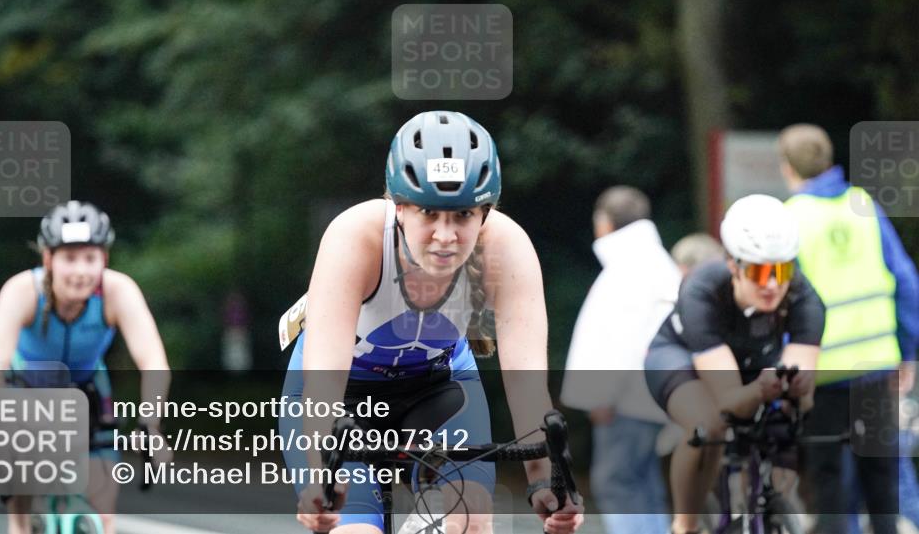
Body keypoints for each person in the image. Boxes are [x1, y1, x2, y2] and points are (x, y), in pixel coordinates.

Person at [280, 111, 584, 534]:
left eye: (462, 215)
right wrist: (319, 477)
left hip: (439, 390)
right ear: (399, 207)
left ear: (485, 212)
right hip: (342, 399)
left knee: (469, 521)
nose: (445, 236)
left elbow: (526, 384)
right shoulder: (356, 236)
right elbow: (324, 382)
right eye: (428, 212)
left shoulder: (507, 247)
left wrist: (543, 481)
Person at [0, 201, 171, 534]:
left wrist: (150, 426)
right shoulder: (21, 291)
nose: (81, 271)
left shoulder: (119, 291)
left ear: (103, 260)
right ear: (48, 259)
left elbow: (153, 361)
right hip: (25, 386)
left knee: (103, 509)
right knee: (20, 504)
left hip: (89, 388)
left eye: (90, 258)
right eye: (69, 258)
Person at [644, 194, 825, 534]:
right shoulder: (701, 289)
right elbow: (729, 400)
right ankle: (685, 524)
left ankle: (771, 509)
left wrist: (797, 389)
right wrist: (760, 390)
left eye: (782, 270)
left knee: (783, 422)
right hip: (679, 355)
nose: (772, 284)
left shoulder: (806, 299)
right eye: (758, 272)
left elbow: (804, 399)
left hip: (751, 359)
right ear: (733, 265)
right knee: (708, 424)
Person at [778, 123, 919, 534]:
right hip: (875, 366)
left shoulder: (790, 218)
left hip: (822, 374)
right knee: (882, 480)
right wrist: (908, 351)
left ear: (787, 167)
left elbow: (781, 300)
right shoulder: (863, 205)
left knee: (830, 483)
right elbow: (905, 282)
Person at [560, 186, 678, 534]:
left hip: (627, 399)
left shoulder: (627, 268)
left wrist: (602, 396)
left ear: (605, 222)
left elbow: (623, 340)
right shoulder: (656, 262)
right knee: (643, 481)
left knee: (617, 482)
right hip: (658, 393)